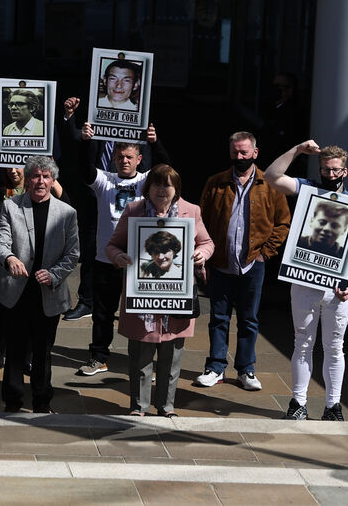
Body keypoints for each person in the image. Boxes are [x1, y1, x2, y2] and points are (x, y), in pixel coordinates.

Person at [266, 140, 348, 421]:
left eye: (335, 170)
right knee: (302, 343)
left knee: (334, 347)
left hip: (337, 288)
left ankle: (333, 406)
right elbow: (272, 177)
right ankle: (298, 403)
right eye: (326, 169)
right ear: (320, 169)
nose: (330, 174)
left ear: (345, 171)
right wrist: (297, 150)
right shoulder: (308, 190)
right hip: (303, 282)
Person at [105, 164, 214, 417]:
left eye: (167, 185)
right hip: (142, 299)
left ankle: (166, 407)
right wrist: (118, 256)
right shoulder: (134, 210)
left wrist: (202, 253)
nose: (162, 190)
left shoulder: (191, 211)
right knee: (140, 359)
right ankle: (138, 407)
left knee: (172, 359)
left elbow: (207, 242)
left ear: (176, 189)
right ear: (148, 188)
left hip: (177, 299)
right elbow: (112, 245)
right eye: (157, 184)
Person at [70, 110, 169, 379]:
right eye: (120, 157)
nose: (124, 161)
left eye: (129, 157)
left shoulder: (146, 182)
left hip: (140, 262)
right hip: (107, 259)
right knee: (102, 313)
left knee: (142, 314)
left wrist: (154, 143)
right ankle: (99, 357)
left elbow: (165, 170)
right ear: (114, 158)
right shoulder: (105, 180)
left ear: (139, 159)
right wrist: (86, 142)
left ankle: (143, 361)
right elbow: (84, 169)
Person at [195, 131, 290, 391]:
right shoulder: (216, 182)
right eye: (235, 152)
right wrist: (205, 256)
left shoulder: (270, 184)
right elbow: (201, 221)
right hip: (221, 263)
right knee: (219, 317)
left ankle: (246, 370)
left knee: (249, 319)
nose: (239, 156)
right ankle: (215, 367)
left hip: (252, 264)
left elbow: (283, 223)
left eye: (244, 152)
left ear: (255, 153)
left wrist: (264, 253)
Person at [0, 155, 80, 413]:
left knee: (43, 351)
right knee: (15, 350)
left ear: (53, 181)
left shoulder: (67, 213)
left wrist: (54, 274)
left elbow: (73, 254)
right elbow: (0, 243)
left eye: (46, 177)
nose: (41, 181)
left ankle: (42, 402)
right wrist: (9, 258)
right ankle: (12, 401)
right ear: (27, 180)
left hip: (47, 292)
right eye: (36, 176)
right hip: (16, 291)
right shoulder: (10, 206)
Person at [0, 147, 63, 374]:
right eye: (8, 167)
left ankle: (27, 359)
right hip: (5, 257)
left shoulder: (39, 188)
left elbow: (63, 198)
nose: (13, 171)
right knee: (2, 310)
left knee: (32, 311)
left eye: (18, 167)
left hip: (33, 259)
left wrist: (51, 170)